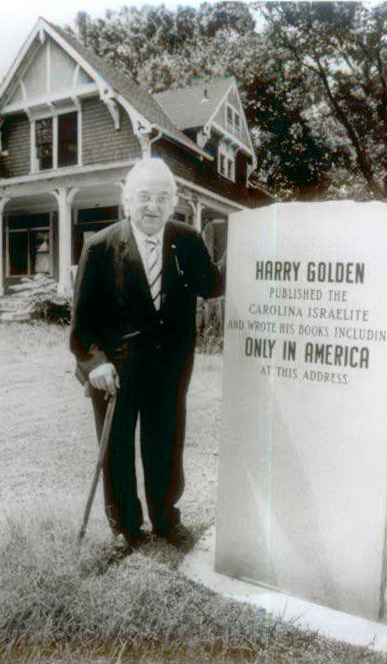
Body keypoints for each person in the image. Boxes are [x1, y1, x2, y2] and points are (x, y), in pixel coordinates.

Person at [70, 158, 224, 551]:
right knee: (117, 448)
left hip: (169, 369)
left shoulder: (187, 241)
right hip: (115, 373)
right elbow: (81, 329)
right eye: (143, 197)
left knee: (165, 443)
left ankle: (166, 520)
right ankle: (124, 526)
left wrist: (240, 241)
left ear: (173, 203)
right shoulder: (100, 246)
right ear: (127, 201)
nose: (152, 206)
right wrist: (96, 363)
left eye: (161, 198)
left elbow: (212, 286)